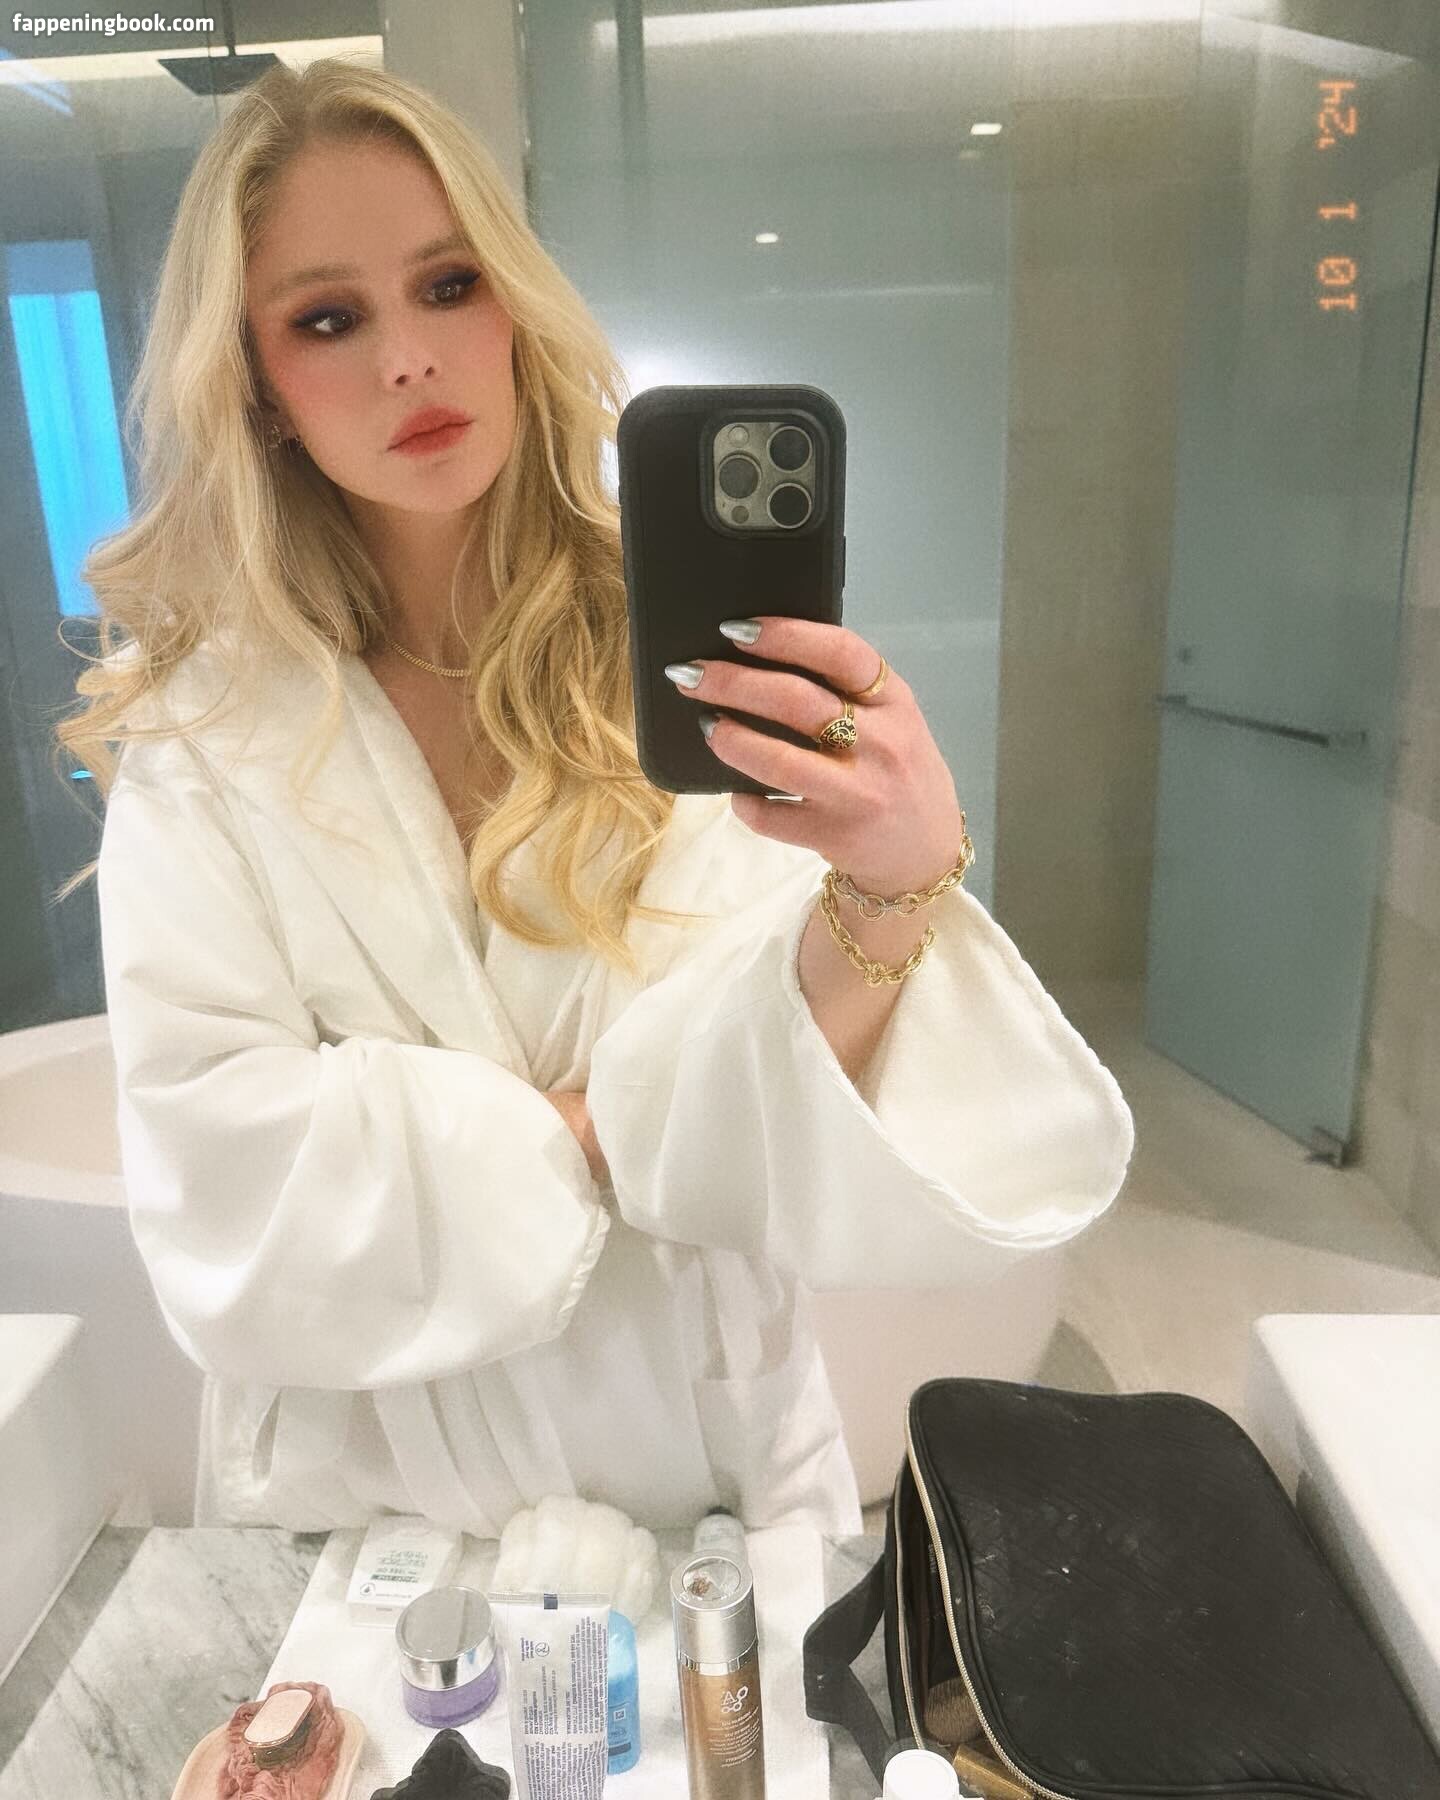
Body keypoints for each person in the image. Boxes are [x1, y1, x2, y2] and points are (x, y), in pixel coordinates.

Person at [57, 59, 1135, 1537]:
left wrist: (897, 878)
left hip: (699, 1457)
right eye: (328, 318)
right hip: (372, 1493)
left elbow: (779, 1091)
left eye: (449, 286)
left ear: (513, 304)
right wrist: (610, 1129)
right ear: (254, 384)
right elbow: (224, 1177)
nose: (410, 359)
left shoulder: (690, 660)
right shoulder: (206, 733)